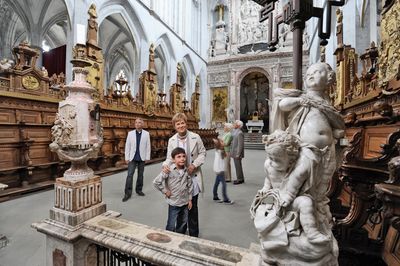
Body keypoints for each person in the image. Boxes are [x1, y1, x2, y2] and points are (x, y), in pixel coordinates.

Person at [259, 130, 330, 244]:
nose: (271, 162)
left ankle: (312, 233)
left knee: (305, 203)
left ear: (291, 160)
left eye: (276, 160)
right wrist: (265, 188)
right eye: (269, 157)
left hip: (289, 200)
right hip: (273, 197)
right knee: (262, 203)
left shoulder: (298, 170)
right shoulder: (269, 165)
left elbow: (291, 192)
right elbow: (268, 179)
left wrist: (286, 200)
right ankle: (269, 225)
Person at [162, 113, 206, 237]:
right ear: (174, 126)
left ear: (186, 123)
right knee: (180, 208)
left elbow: (203, 153)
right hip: (178, 179)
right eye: (178, 124)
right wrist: (165, 165)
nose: (181, 125)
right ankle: (180, 234)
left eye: (182, 123)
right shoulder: (172, 140)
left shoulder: (195, 137)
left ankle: (193, 235)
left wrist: (194, 165)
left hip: (193, 177)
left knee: (192, 208)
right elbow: (169, 159)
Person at [153, 147, 193, 234]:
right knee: (171, 224)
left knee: (182, 223)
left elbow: (190, 185)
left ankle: (180, 236)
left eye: (183, 156)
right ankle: (169, 237)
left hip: (185, 202)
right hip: (174, 202)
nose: (182, 159)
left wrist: (190, 199)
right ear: (173, 159)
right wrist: (165, 191)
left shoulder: (187, 170)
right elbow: (156, 182)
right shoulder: (168, 170)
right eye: (178, 157)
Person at [123, 118, 151, 201]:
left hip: (142, 157)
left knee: (140, 175)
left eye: (139, 123)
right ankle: (127, 193)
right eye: (136, 123)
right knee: (129, 175)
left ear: (142, 124)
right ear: (134, 124)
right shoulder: (130, 134)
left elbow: (148, 146)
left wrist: (147, 157)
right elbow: (127, 146)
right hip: (132, 157)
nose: (137, 124)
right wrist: (126, 158)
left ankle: (139, 190)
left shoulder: (146, 134)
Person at [212, 138, 234, 204]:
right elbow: (223, 157)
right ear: (219, 144)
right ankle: (225, 199)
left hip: (218, 169)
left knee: (216, 183)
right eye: (222, 142)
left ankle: (215, 196)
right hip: (220, 170)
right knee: (224, 184)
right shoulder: (220, 151)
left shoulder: (218, 150)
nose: (223, 142)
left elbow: (225, 155)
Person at [231, 120, 245, 185]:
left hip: (237, 153)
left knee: (238, 166)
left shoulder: (240, 133)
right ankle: (240, 178)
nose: (234, 124)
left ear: (238, 125)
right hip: (234, 151)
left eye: (235, 123)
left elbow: (240, 145)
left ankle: (240, 179)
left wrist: (238, 154)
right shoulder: (235, 131)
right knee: (237, 166)